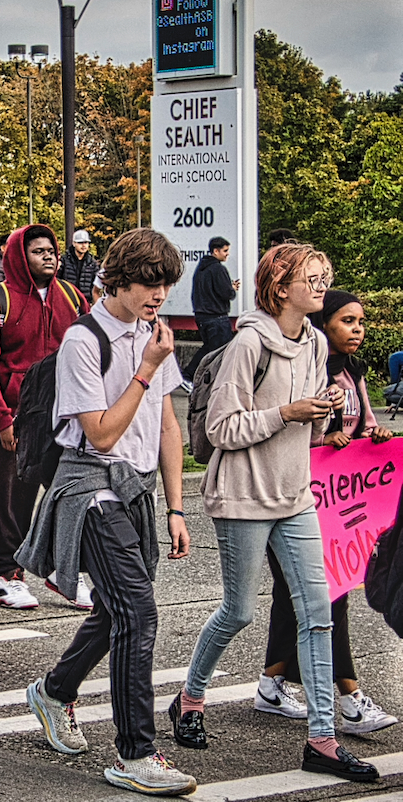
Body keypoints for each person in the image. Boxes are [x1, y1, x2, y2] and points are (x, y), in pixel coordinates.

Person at [173, 243, 377, 783]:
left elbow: (304, 431)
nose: (321, 284)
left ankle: (323, 739)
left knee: (319, 613)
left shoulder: (313, 341)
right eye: (311, 277)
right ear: (280, 287)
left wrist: (325, 418)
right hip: (242, 495)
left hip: (295, 496)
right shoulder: (248, 343)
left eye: (325, 275)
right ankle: (190, 699)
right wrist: (285, 411)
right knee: (237, 612)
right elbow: (222, 430)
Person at [18, 228, 195, 796]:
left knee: (119, 609)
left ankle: (53, 689)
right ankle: (136, 753)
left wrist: (175, 506)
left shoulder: (154, 335)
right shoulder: (83, 340)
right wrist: (145, 367)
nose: (158, 294)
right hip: (91, 489)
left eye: (166, 283)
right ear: (117, 278)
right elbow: (98, 434)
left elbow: (167, 425)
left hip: (139, 490)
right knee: (138, 615)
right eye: (148, 282)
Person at [255, 289, 397, 734]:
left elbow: (365, 420)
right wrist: (322, 437)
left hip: (337, 503)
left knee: (296, 595)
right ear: (324, 325)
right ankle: (351, 699)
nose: (358, 330)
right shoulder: (306, 368)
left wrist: (373, 435)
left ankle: (271, 684)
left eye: (361, 322)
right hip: (292, 497)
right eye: (347, 322)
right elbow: (289, 425)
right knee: (327, 597)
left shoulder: (352, 370)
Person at [0, 224, 91, 610]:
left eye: (52, 250)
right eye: (39, 251)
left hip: (62, 415)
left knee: (68, 494)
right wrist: (1, 419)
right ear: (20, 257)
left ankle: (60, 569)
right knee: (11, 499)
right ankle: (7, 576)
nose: (49, 256)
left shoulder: (73, 298)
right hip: (12, 418)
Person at [183, 236, 240, 380]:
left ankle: (192, 375)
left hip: (202, 315)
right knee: (219, 350)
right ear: (216, 251)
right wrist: (232, 288)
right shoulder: (218, 269)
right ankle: (189, 374)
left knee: (209, 347)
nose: (227, 254)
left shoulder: (201, 268)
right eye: (225, 250)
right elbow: (227, 293)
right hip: (217, 316)